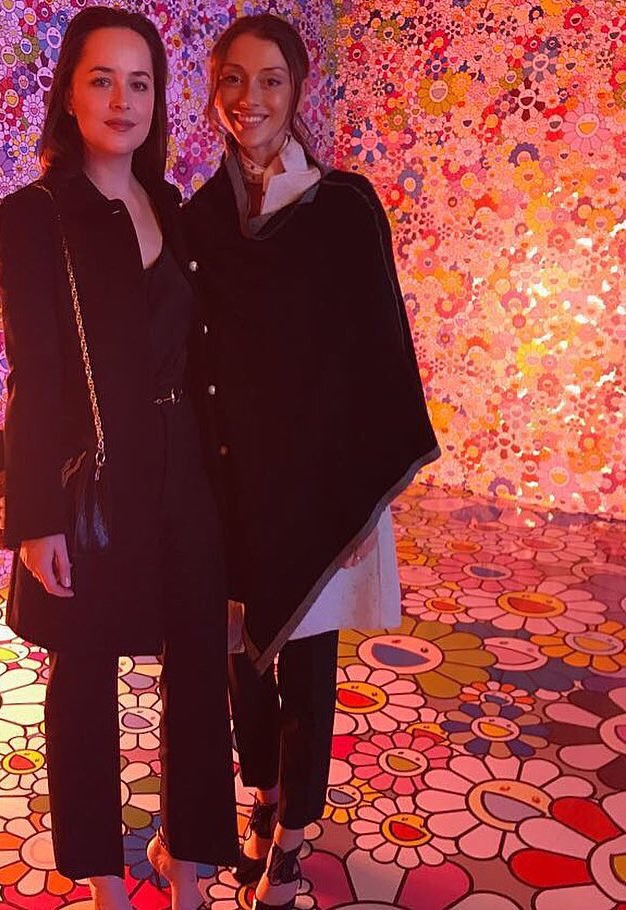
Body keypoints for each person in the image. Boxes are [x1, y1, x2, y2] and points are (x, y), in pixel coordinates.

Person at [183, 14, 440, 910]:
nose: (249, 99)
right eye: (233, 80)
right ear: (213, 91)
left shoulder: (344, 208)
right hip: (232, 479)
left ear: (297, 90)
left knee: (308, 664)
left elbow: (378, 351)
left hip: (321, 479)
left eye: (270, 80)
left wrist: (365, 494)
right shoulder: (202, 218)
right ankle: (261, 799)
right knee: (241, 659)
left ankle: (292, 838)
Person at [0, 8, 238, 909]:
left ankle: (191, 863)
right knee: (85, 670)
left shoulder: (169, 203)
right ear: (69, 91)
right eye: (102, 78)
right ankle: (102, 876)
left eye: (140, 82)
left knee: (199, 665)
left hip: (183, 466)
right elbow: (34, 373)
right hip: (89, 475)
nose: (122, 100)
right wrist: (36, 520)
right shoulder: (35, 214)